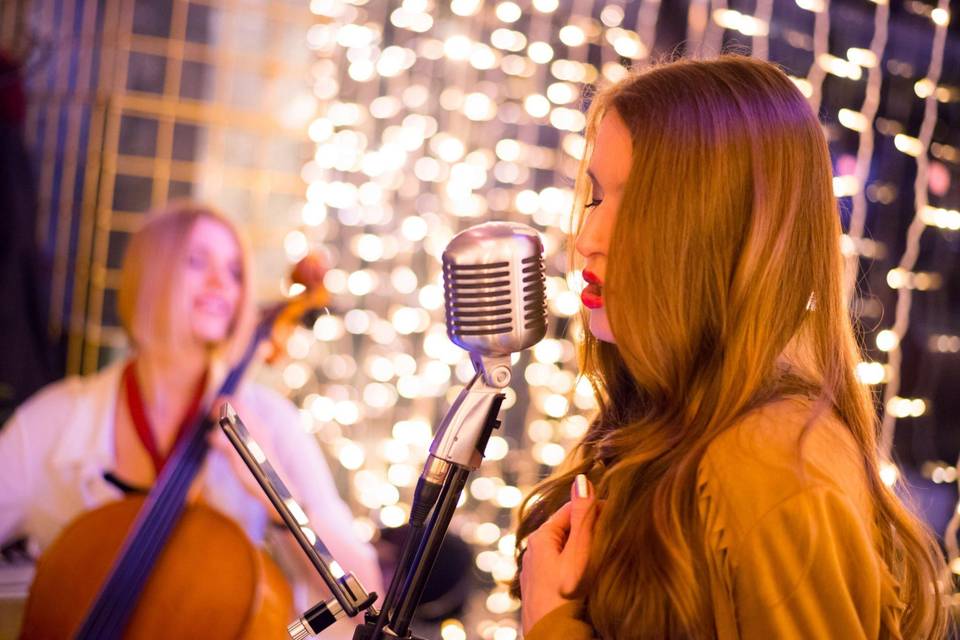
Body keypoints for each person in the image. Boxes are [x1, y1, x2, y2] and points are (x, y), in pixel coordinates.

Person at [513, 56, 948, 639]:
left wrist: (553, 622)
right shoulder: (672, 424)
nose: (588, 238)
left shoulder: (768, 467)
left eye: (639, 205)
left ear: (723, 233)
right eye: (594, 198)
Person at [0, 201, 382, 635]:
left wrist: (276, 494)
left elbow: (367, 600)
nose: (223, 283)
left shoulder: (270, 423)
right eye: (197, 262)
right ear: (149, 274)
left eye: (236, 271)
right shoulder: (54, 419)